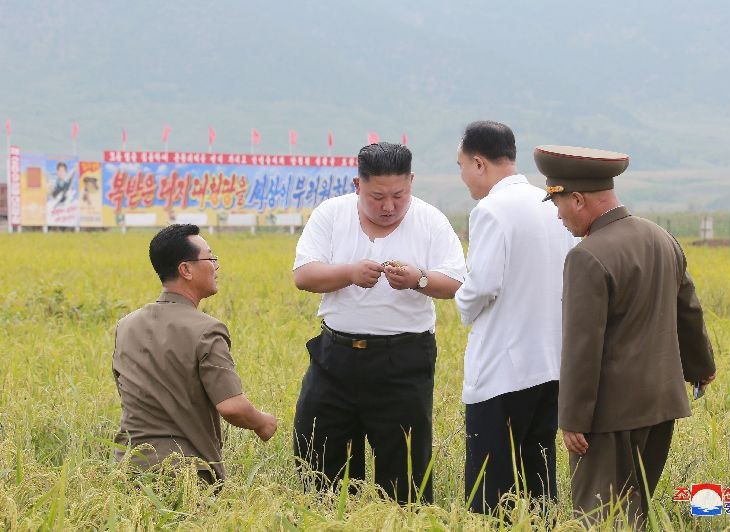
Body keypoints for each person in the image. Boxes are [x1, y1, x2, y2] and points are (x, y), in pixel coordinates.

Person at [535, 145, 717, 527]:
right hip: (661, 407)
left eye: (559, 203)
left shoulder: (587, 256)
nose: (558, 214)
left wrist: (573, 419)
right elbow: (689, 310)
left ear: (578, 199)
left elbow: (583, 347)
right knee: (637, 511)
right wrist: (702, 368)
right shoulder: (661, 237)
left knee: (599, 517)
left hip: (608, 417)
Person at [292, 142, 466, 504]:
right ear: (358, 185)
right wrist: (349, 273)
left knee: (405, 474)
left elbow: (455, 282)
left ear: (411, 182)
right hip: (335, 358)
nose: (389, 207)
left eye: (399, 196)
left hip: (403, 361)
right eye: (377, 197)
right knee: (321, 461)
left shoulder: (430, 220)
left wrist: (418, 279)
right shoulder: (332, 214)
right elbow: (304, 275)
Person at [454, 122, 577, 515]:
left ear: (478, 163)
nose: (463, 177)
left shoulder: (491, 209)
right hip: (550, 364)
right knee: (538, 477)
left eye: (461, 166)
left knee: (492, 491)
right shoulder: (550, 203)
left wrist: (460, 303)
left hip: (502, 370)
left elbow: (481, 285)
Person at [112, 223, 277, 488]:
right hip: (186, 474)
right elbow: (232, 406)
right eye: (210, 258)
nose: (216, 266)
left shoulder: (126, 325)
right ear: (186, 270)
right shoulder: (207, 330)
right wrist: (262, 422)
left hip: (128, 468)